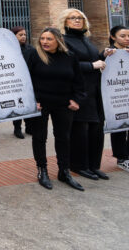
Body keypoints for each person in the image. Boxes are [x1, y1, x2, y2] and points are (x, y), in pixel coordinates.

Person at [24, 27, 86, 191]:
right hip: (40, 104)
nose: (44, 42)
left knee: (63, 137)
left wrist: (77, 99)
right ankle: (42, 170)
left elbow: (79, 82)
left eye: (49, 39)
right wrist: (33, 100)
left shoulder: (70, 57)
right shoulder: (34, 55)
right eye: (42, 38)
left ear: (58, 40)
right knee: (39, 137)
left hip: (64, 103)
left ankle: (64, 171)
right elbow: (26, 80)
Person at [60, 8, 108, 181]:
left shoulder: (85, 39)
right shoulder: (64, 41)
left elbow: (93, 58)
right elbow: (66, 65)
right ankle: (80, 165)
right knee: (81, 130)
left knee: (96, 129)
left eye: (80, 18)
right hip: (79, 91)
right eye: (73, 18)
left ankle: (94, 165)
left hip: (94, 90)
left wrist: (104, 55)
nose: (77, 20)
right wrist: (91, 66)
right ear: (65, 22)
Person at [107, 25, 129, 173]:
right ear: (113, 37)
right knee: (119, 127)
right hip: (116, 95)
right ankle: (122, 158)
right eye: (123, 36)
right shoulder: (108, 53)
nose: (127, 39)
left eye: (128, 36)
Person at [11, 26, 31, 139]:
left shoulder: (30, 49)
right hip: (15, 82)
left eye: (24, 34)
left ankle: (29, 126)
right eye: (20, 35)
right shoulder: (8, 50)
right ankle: (17, 128)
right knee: (17, 105)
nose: (23, 37)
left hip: (28, 81)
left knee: (28, 104)